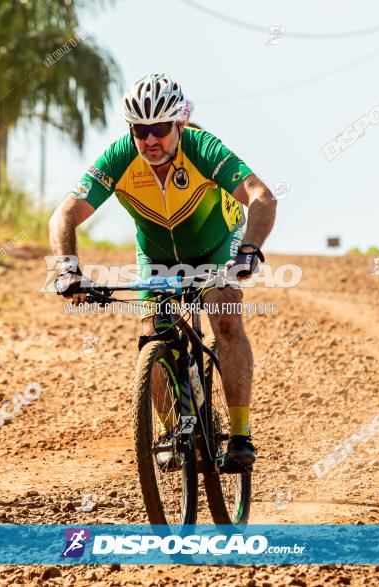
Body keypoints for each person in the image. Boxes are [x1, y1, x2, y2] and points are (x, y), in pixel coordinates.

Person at [49, 73, 276, 469]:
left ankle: (240, 435)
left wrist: (249, 252)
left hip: (217, 244)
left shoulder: (203, 148)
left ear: (179, 124)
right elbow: (65, 213)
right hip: (156, 255)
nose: (150, 140)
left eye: (159, 129)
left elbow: (262, 197)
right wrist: (67, 268)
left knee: (224, 316)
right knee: (151, 335)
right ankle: (174, 429)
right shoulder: (119, 158)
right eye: (140, 130)